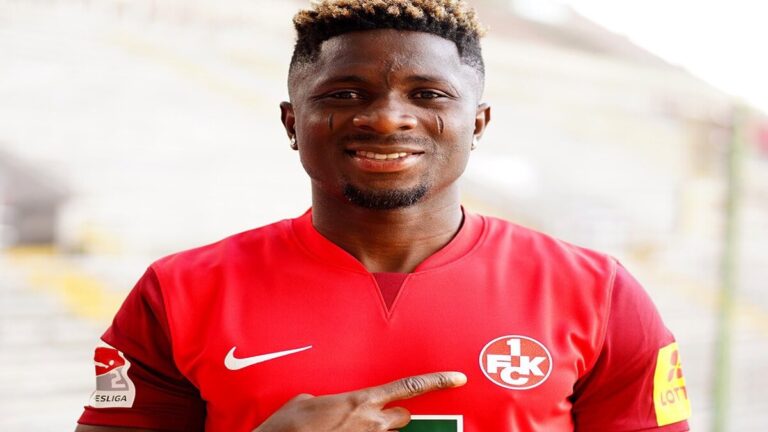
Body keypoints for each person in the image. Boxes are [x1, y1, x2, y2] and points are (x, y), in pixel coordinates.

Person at [75, 0, 692, 431]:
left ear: (477, 124)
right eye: (345, 94)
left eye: (428, 95)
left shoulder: (597, 292)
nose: (387, 118)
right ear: (292, 123)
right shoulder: (179, 291)